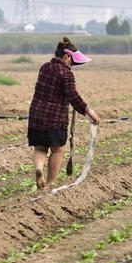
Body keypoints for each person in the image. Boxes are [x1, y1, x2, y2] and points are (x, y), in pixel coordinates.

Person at [28, 37, 100, 189]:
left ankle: (39, 168)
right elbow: (73, 96)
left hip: (36, 115)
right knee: (57, 150)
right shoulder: (66, 74)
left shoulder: (45, 67)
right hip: (55, 118)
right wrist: (89, 112)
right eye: (72, 62)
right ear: (66, 56)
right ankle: (50, 183)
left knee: (40, 147)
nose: (72, 66)